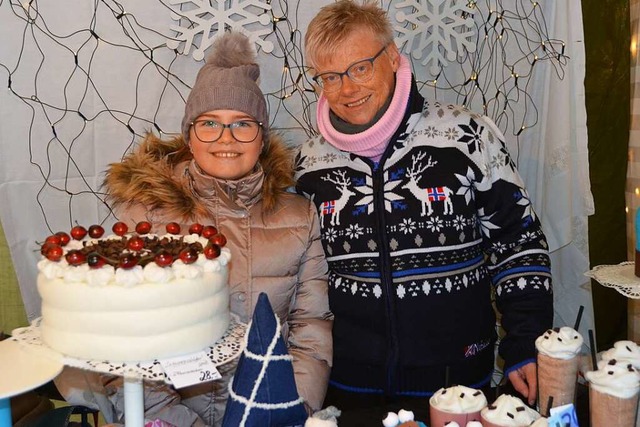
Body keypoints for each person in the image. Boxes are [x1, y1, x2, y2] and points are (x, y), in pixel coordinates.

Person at [55, 31, 332, 427]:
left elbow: (311, 331)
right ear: (189, 134)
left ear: (262, 137)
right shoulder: (142, 216)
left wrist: (286, 412)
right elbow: (121, 342)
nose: (226, 139)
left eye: (242, 124)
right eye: (209, 124)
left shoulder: (300, 218)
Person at [294, 0, 553, 422]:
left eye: (360, 67)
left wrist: (525, 345)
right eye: (330, 76)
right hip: (347, 387)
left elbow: (518, 245)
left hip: (457, 382)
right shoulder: (308, 164)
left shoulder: (467, 135)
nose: (347, 88)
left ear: (392, 57)